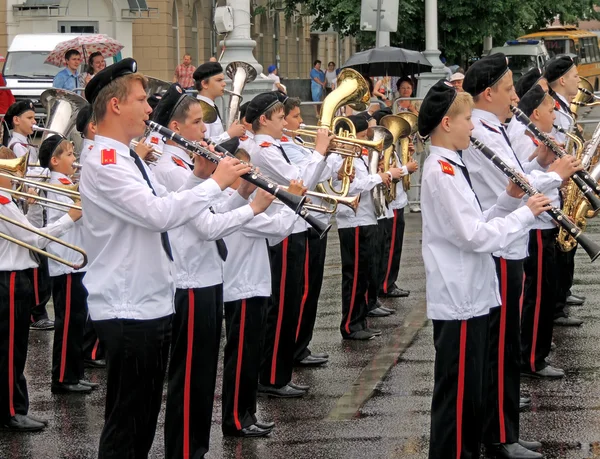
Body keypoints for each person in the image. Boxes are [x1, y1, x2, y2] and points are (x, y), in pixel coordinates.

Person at [79, 58, 250, 458]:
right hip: (128, 306)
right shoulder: (105, 162)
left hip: (148, 302)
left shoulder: (127, 156)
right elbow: (159, 216)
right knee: (127, 428)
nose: (149, 108)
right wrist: (217, 185)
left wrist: (198, 177)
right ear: (116, 105)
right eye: (141, 99)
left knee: (139, 426)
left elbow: (163, 203)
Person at [418, 79, 550, 459]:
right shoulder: (441, 171)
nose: (472, 126)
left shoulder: (451, 165)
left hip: (471, 294)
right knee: (456, 401)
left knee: (469, 396)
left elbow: (477, 221)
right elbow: (475, 237)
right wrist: (526, 215)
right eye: (466, 120)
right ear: (447, 123)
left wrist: (509, 202)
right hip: (458, 296)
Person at [462, 53, 577, 458]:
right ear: (489, 92)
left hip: (509, 242)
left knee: (505, 344)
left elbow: (517, 172)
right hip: (499, 245)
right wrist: (556, 173)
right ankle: (498, 437)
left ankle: (502, 430)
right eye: (510, 90)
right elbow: (513, 186)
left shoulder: (497, 126)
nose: (516, 98)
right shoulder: (482, 130)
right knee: (499, 346)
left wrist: (541, 160)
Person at [247, 91, 334, 397]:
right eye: (280, 117)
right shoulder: (263, 149)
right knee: (281, 308)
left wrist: (323, 155)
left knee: (290, 304)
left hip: (292, 227)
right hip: (280, 231)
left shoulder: (275, 145)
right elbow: (299, 181)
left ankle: (279, 373)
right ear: (264, 120)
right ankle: (272, 377)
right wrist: (320, 152)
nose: (285, 122)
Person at [0, 145, 82, 432]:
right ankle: (11, 410)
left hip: (13, 278)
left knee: (12, 350)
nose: (16, 173)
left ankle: (13, 407)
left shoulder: (8, 198)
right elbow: (33, 239)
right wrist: (68, 218)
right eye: (9, 168)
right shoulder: (1, 199)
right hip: (9, 281)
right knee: (11, 351)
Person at [221, 148, 302, 437]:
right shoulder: (235, 208)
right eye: (244, 171)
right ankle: (236, 419)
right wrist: (290, 201)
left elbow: (274, 230)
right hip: (242, 287)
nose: (252, 175)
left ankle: (246, 415)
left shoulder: (240, 204)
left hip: (253, 285)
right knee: (241, 358)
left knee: (250, 356)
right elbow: (277, 228)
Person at [329, 115, 405, 339]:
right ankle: (350, 325)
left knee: (364, 274)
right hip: (353, 220)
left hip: (367, 217)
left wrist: (381, 175)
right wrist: (382, 176)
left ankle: (360, 321)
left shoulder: (359, 156)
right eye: (367, 133)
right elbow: (349, 187)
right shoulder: (339, 156)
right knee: (354, 276)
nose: (369, 137)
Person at [512, 85, 569, 382]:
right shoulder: (522, 139)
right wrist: (555, 173)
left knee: (544, 294)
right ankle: (531, 357)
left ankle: (536, 350)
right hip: (534, 224)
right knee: (536, 295)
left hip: (543, 221)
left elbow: (532, 170)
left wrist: (548, 164)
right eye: (550, 110)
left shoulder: (533, 137)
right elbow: (523, 183)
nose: (554, 114)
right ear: (535, 113)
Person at [37, 135, 97, 394]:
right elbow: (82, 217)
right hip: (68, 262)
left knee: (76, 320)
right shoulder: (58, 185)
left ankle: (73, 372)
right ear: (55, 160)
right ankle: (63, 377)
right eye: (70, 155)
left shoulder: (65, 183)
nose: (75, 160)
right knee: (69, 322)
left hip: (75, 261)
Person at [280, 96, 333, 365]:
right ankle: (295, 349)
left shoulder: (297, 144)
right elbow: (305, 179)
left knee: (309, 290)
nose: (301, 122)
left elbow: (321, 173)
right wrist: (324, 152)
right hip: (297, 223)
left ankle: (302, 346)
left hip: (308, 220)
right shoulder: (282, 148)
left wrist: (327, 153)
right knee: (299, 293)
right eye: (295, 117)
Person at [544, 55, 587, 327]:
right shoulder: (555, 109)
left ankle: (563, 294)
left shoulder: (562, 108)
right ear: (561, 79)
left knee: (564, 247)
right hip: (557, 184)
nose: (578, 80)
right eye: (574, 76)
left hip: (563, 182)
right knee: (559, 247)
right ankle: (557, 305)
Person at [193, 61, 246, 143]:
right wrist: (229, 134)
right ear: (204, 84)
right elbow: (202, 143)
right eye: (219, 80)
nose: (224, 84)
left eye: (223, 80)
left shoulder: (209, 105)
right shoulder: (202, 109)